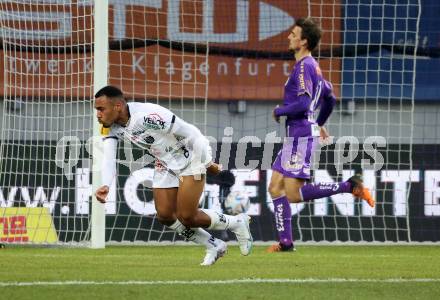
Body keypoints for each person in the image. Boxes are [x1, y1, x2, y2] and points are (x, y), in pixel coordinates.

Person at [93, 85, 253, 265]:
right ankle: (214, 245)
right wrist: (105, 184)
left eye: (101, 109)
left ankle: (237, 222)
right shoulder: (109, 127)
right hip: (164, 162)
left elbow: (192, 133)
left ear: (118, 107)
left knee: (188, 217)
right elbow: (108, 157)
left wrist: (208, 162)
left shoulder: (148, 116)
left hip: (191, 157)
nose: (98, 114)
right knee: (165, 216)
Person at [267, 18, 375, 253]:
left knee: (293, 195)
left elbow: (304, 103)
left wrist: (280, 110)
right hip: (298, 133)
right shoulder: (312, 67)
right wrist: (319, 123)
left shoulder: (305, 66)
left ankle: (349, 186)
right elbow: (330, 96)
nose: (289, 37)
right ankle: (285, 242)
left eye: (293, 34)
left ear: (303, 41)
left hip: (300, 135)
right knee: (275, 187)